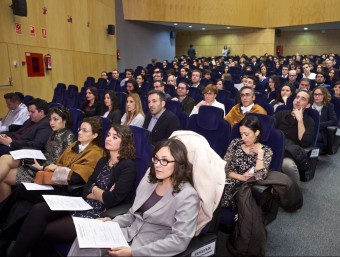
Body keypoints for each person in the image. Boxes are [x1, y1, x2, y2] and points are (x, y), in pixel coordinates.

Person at [7, 124, 137, 257]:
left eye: (115, 137)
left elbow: (110, 200)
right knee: (39, 209)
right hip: (82, 203)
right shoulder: (103, 160)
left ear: (124, 142)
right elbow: (86, 189)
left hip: (98, 214)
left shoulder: (127, 167)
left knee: (44, 230)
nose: (109, 138)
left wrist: (94, 189)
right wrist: (97, 190)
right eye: (108, 135)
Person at [68, 138, 200, 257]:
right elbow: (133, 214)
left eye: (164, 160)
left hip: (149, 248)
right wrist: (111, 223)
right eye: (156, 159)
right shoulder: (150, 180)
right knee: (85, 241)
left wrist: (133, 253)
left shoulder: (187, 196)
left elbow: (179, 241)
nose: (158, 164)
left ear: (178, 163)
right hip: (128, 234)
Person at [0, 106, 74, 202]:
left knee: (5, 172)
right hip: (40, 161)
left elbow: (65, 162)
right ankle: (3, 210)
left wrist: (43, 164)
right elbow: (47, 151)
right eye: (50, 119)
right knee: (5, 161)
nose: (51, 123)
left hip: (45, 169)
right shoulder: (54, 132)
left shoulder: (69, 136)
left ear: (65, 120)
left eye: (55, 119)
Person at [221, 115, 273, 208]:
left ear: (257, 132)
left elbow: (259, 177)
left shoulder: (266, 151)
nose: (243, 138)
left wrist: (260, 155)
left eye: (246, 134)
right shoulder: (235, 143)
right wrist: (240, 177)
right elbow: (223, 168)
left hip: (241, 190)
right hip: (223, 182)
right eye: (241, 134)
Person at [275, 89, 315, 184]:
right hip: (274, 147)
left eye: (303, 99)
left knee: (288, 166)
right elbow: (268, 130)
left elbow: (305, 142)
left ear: (308, 105)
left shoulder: (309, 121)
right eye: (297, 97)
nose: (298, 100)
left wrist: (300, 120)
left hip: (290, 152)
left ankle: (294, 193)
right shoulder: (281, 114)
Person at [311, 86, 337, 152]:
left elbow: (334, 120)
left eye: (319, 94)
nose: (317, 96)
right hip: (308, 129)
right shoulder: (309, 105)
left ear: (324, 95)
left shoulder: (329, 106)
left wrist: (318, 125)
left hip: (321, 132)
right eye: (315, 94)